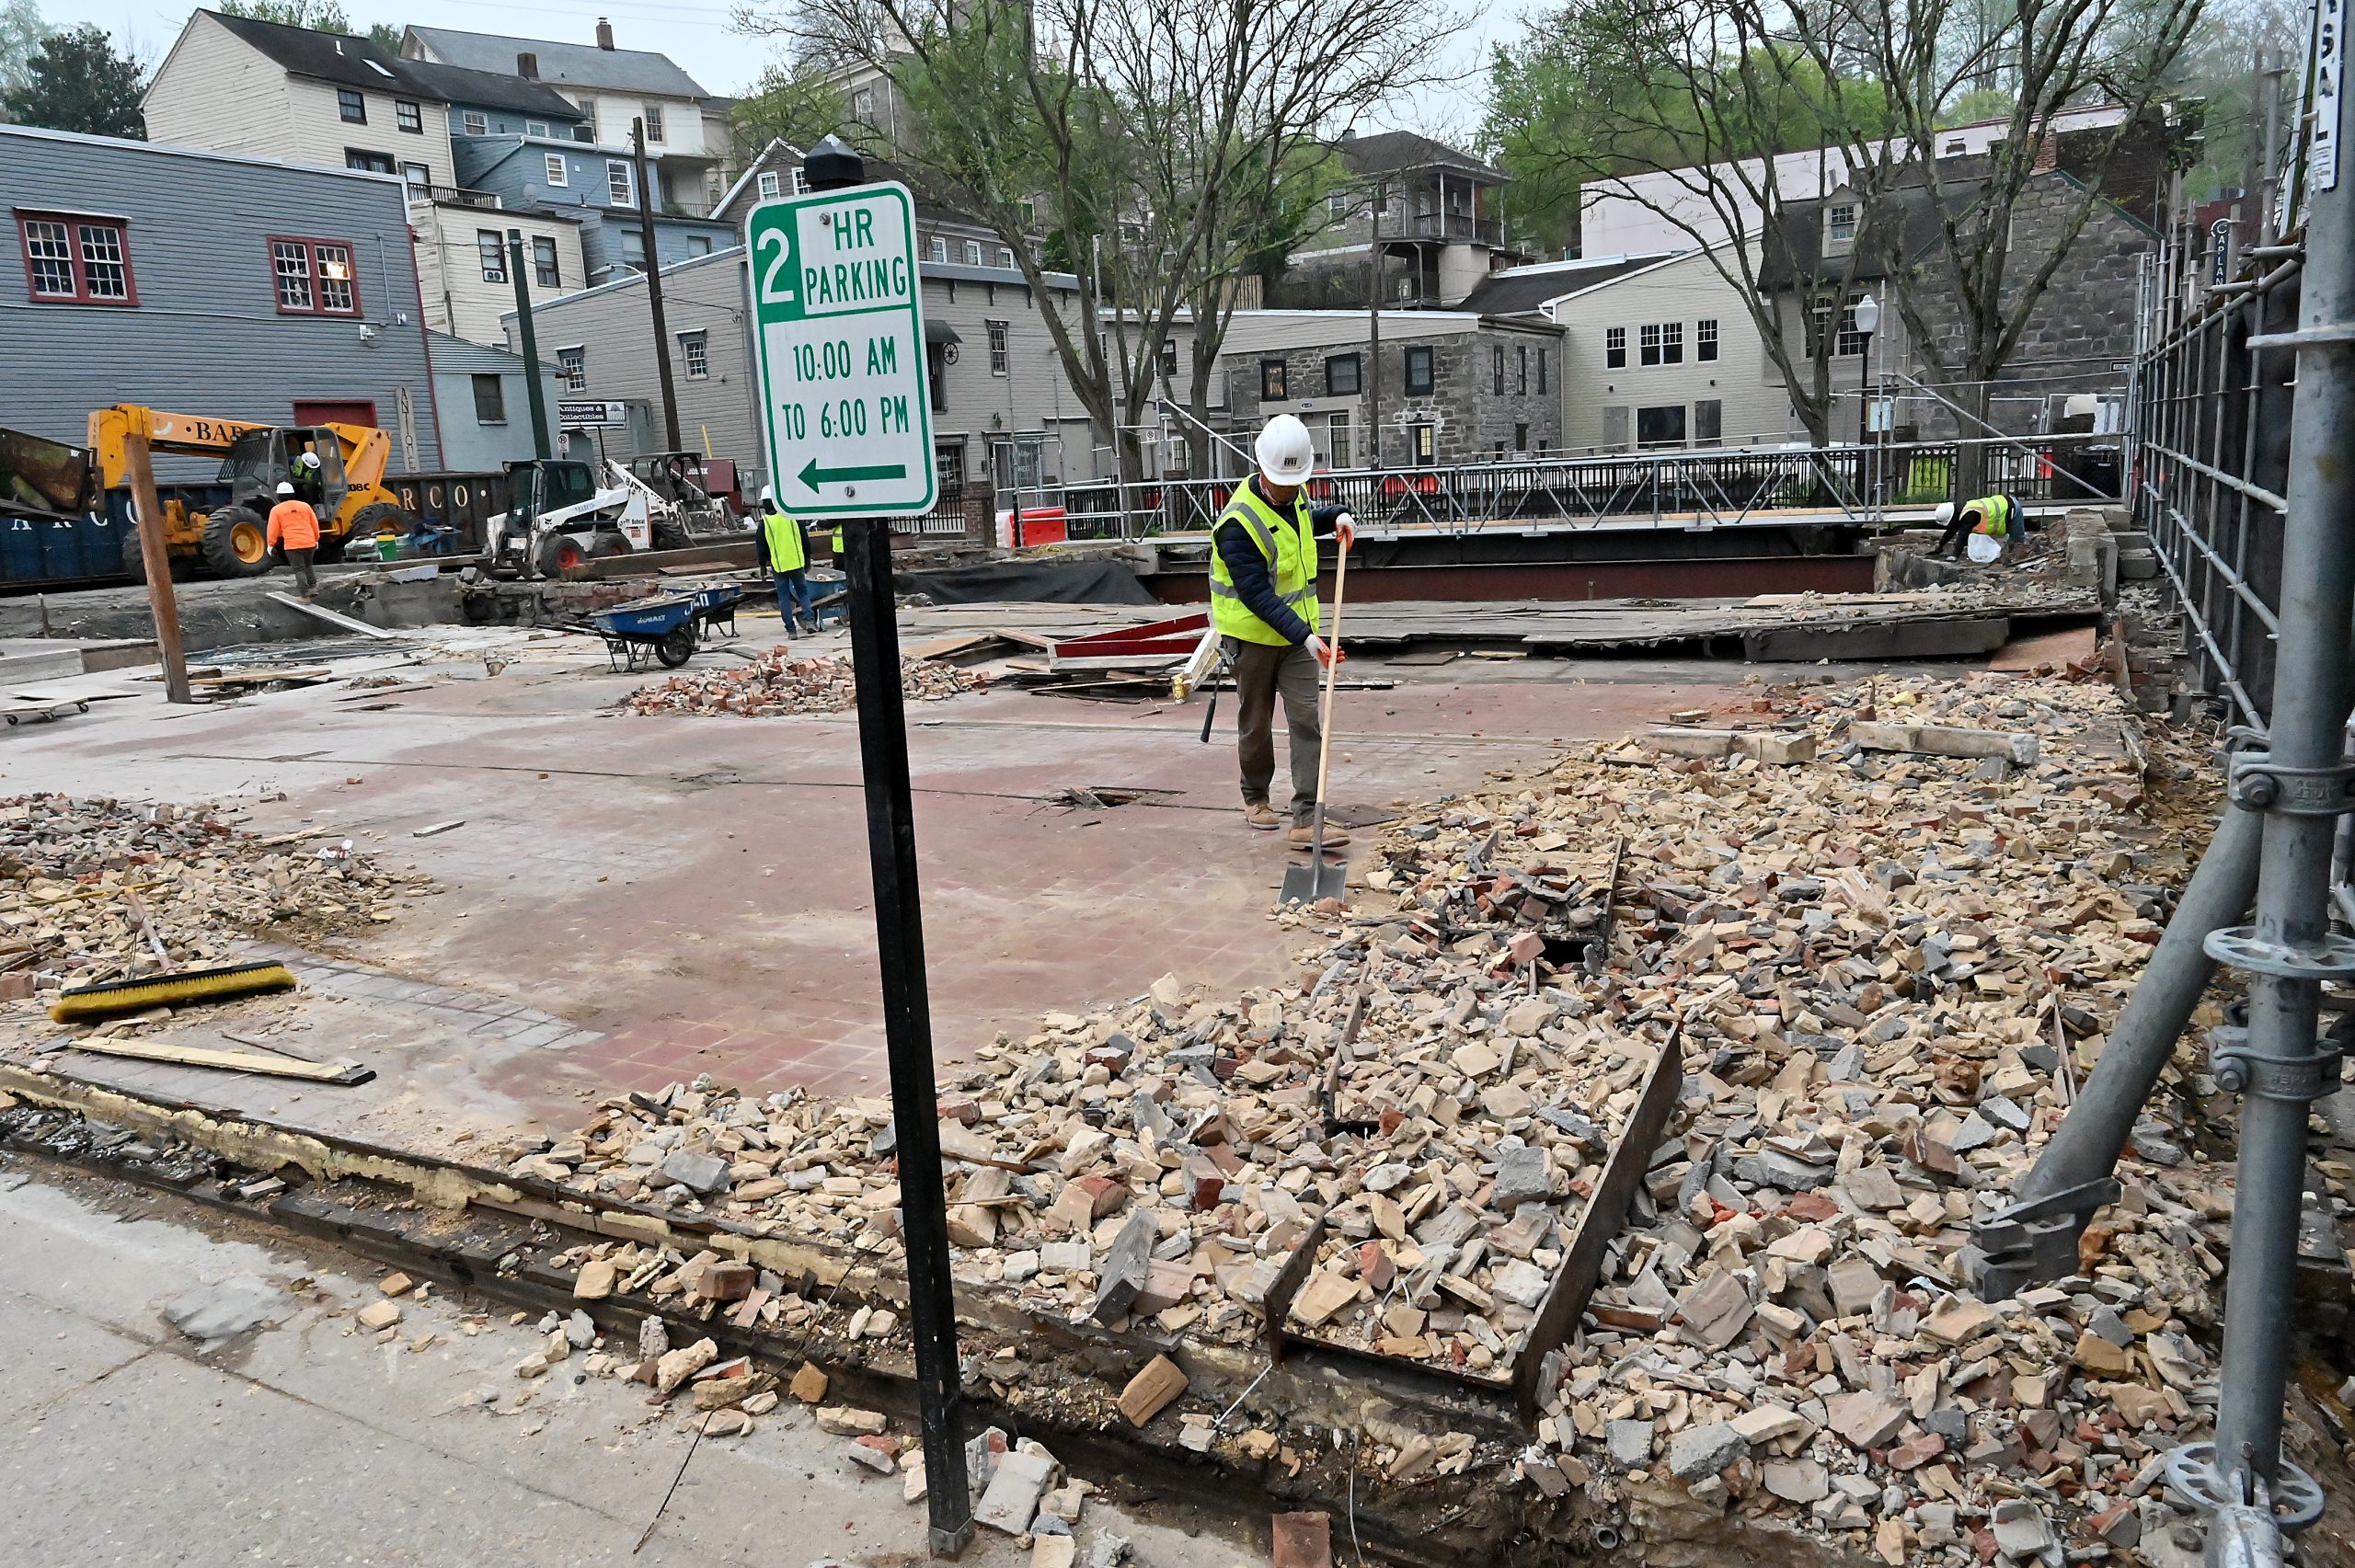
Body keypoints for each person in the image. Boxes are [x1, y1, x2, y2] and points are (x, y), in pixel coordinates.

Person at [1212, 414, 1355, 851]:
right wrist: (1309, 638)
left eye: (1296, 483)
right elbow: (1257, 594)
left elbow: (1303, 520)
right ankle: (1255, 798)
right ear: (1263, 470)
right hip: (1253, 639)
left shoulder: (1293, 493)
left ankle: (1307, 817)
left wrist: (1339, 515)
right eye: (1283, 483)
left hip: (1296, 640)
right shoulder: (1237, 524)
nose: (1291, 490)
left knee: (1306, 721)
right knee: (1255, 723)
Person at [759, 488, 817, 634]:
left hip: (778, 566)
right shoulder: (793, 517)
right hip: (797, 562)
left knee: (784, 598)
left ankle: (791, 631)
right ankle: (810, 621)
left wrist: (762, 565)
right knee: (802, 593)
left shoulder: (765, 522)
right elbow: (805, 539)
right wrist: (807, 559)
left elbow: (761, 546)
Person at [265, 481, 321, 597]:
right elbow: (314, 524)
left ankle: (304, 595)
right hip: (309, 542)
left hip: (293, 545)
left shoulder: (277, 510)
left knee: (299, 569)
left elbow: (272, 529)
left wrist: (271, 545)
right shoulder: (305, 507)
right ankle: (313, 587)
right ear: (292, 494)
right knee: (308, 565)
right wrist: (316, 539)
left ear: (279, 496)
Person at [1935, 493, 2019, 559]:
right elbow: (1952, 530)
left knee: (2018, 542)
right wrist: (1940, 544)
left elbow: (1963, 535)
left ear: (1952, 517)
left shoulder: (1970, 515)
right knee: (2010, 546)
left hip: (2012, 507)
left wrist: (1955, 555)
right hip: (2003, 503)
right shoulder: (1961, 511)